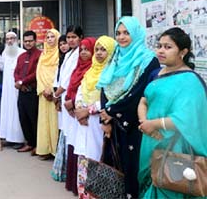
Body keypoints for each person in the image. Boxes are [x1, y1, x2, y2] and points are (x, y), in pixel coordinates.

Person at [138, 27, 207, 198]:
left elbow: (187, 118)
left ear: (183, 52)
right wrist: (144, 122)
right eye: (159, 45)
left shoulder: (189, 80)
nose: (161, 50)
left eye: (168, 47)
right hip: (150, 140)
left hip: (175, 147)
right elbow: (144, 100)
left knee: (169, 187)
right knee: (150, 183)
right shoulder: (158, 73)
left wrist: (153, 124)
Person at [96, 16, 160, 198]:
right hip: (112, 125)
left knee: (133, 170)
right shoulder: (115, 57)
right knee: (114, 168)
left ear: (136, 34)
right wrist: (104, 118)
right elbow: (104, 87)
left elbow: (140, 93)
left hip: (132, 125)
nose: (122, 37)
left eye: (126, 33)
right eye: (118, 33)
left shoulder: (148, 60)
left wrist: (111, 112)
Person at [73, 36, 115, 197]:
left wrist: (88, 111)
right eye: (97, 49)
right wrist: (79, 110)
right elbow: (80, 91)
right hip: (83, 122)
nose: (98, 53)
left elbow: (110, 98)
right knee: (84, 158)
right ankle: (83, 194)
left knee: (97, 158)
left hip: (99, 122)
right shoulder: (91, 70)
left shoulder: (112, 73)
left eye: (103, 49)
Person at [51, 25, 83, 195]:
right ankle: (67, 173)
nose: (70, 40)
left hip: (70, 98)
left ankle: (72, 176)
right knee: (67, 134)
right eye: (68, 37)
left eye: (73, 37)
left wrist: (57, 94)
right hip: (65, 98)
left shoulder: (79, 54)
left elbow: (69, 79)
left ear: (80, 37)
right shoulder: (69, 53)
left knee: (72, 136)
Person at [64, 37, 96, 195]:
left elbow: (95, 94)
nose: (83, 52)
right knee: (76, 148)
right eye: (81, 49)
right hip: (75, 113)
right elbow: (72, 86)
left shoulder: (95, 68)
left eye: (87, 49)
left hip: (89, 116)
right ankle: (76, 185)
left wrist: (77, 105)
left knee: (89, 151)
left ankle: (90, 190)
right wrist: (69, 101)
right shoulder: (78, 67)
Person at [0, 31, 25, 149]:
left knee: (16, 113)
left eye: (12, 38)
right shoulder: (5, 53)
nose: (10, 41)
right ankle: (8, 137)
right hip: (7, 88)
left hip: (17, 88)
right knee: (7, 111)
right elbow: (2, 67)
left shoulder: (22, 53)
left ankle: (19, 139)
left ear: (16, 40)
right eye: (7, 39)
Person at [14, 30, 42, 153]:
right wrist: (18, 83)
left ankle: (37, 145)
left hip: (32, 92)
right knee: (23, 117)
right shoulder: (21, 56)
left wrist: (22, 82)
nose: (28, 43)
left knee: (34, 119)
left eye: (30, 41)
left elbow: (37, 73)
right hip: (22, 92)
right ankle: (29, 143)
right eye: (26, 41)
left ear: (35, 41)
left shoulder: (40, 55)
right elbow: (16, 72)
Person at [35, 29, 60, 158]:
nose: (50, 39)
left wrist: (52, 89)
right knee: (44, 121)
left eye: (52, 37)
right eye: (48, 37)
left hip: (54, 94)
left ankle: (55, 150)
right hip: (43, 93)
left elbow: (59, 74)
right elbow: (38, 73)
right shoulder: (43, 54)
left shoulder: (60, 54)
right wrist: (43, 89)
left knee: (55, 122)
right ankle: (45, 149)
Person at [51, 34, 71, 182]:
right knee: (62, 129)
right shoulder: (63, 59)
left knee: (67, 131)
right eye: (61, 44)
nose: (63, 46)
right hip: (60, 97)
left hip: (67, 98)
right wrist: (56, 96)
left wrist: (56, 95)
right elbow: (58, 79)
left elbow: (67, 81)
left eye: (65, 43)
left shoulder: (72, 58)